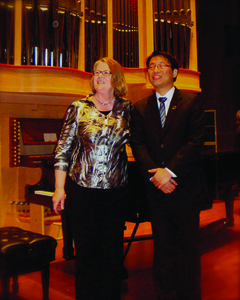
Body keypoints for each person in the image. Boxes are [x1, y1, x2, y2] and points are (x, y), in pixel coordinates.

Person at [52, 57, 132, 300]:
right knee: (86, 253)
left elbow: (141, 144)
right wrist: (59, 188)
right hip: (82, 191)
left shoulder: (127, 108)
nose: (99, 76)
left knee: (111, 254)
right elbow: (63, 149)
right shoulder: (78, 107)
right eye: (96, 72)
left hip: (115, 193)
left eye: (105, 72)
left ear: (115, 77)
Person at [130, 51, 208, 300]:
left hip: (184, 189)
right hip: (157, 191)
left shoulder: (192, 102)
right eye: (151, 66)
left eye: (161, 65)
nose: (155, 70)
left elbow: (195, 142)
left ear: (174, 72)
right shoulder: (140, 107)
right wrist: (156, 177)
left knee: (188, 250)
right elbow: (138, 145)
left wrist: (169, 172)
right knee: (162, 251)